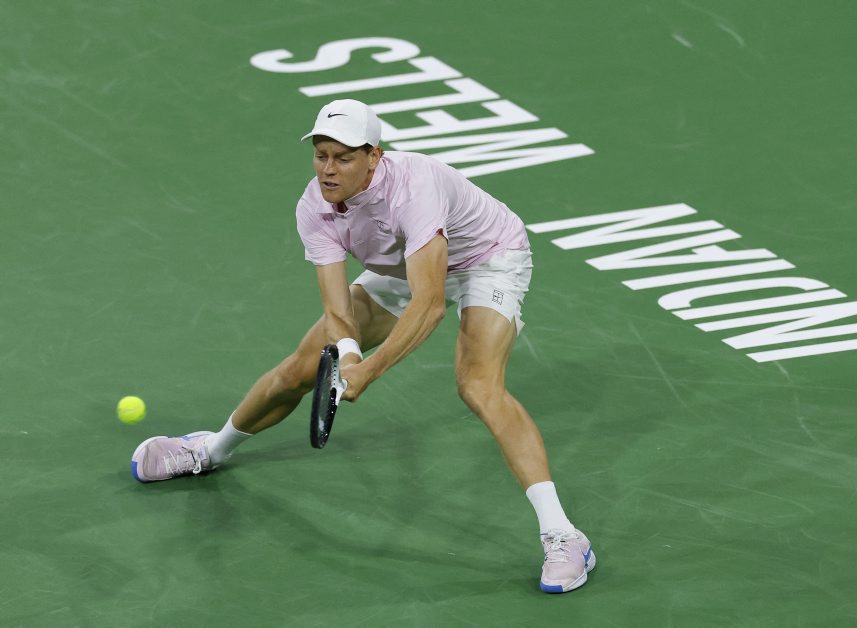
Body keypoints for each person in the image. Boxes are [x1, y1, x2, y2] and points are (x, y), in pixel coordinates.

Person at [130, 99, 595, 594]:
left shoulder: (413, 189)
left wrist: (368, 372)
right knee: (299, 369)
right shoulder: (314, 207)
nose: (328, 169)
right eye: (321, 155)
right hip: (403, 267)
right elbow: (338, 310)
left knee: (478, 385)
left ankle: (564, 536)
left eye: (344, 158)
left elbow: (429, 305)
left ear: (374, 156)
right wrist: (349, 355)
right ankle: (209, 449)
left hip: (486, 259)